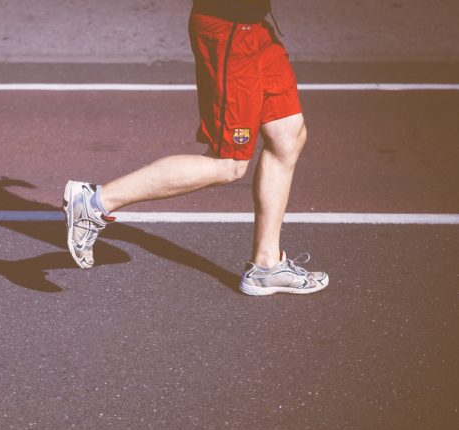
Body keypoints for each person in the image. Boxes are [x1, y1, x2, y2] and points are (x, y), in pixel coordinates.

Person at [63, 0, 329, 296]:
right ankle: (96, 202)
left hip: (255, 28)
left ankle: (266, 266)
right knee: (229, 163)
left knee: (287, 135)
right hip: (229, 28)